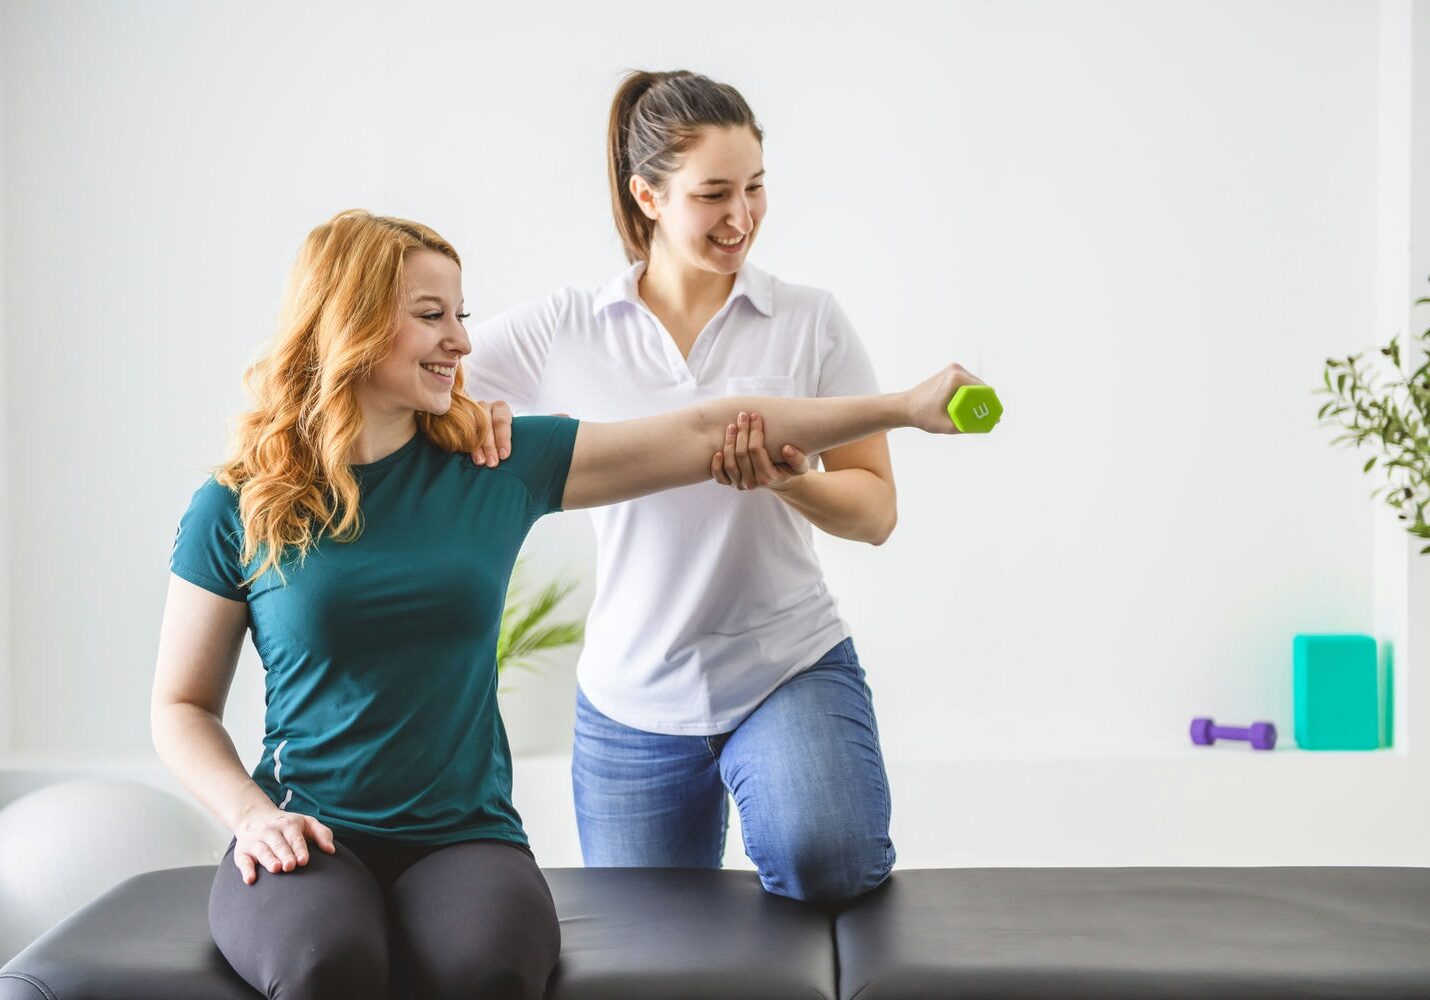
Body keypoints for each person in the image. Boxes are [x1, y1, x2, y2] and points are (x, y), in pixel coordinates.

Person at [150, 208, 981, 999]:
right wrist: (252, 817)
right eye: (433, 315)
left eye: (461, 313)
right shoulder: (242, 504)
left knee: (492, 972)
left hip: (463, 835)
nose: (463, 340)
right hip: (308, 827)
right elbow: (181, 706)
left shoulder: (495, 465)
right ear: (355, 324)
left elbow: (709, 429)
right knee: (327, 966)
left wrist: (903, 408)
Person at [463, 70, 909, 904]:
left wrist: (791, 483)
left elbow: (876, 510)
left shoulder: (809, 321)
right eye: (713, 194)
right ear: (648, 197)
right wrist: (472, 418)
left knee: (830, 861)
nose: (741, 217)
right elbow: (428, 383)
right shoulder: (569, 327)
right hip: (631, 695)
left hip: (785, 666)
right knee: (648, 950)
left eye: (755, 188)